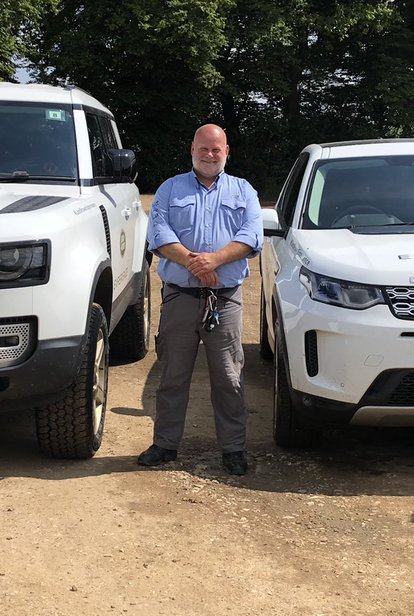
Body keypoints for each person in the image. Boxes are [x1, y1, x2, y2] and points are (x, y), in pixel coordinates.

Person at [139, 124, 264, 475]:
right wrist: (196, 264)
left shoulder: (244, 190)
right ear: (192, 149)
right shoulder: (169, 188)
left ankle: (233, 449)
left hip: (225, 299)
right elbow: (159, 234)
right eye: (203, 149)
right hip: (179, 297)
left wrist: (214, 260)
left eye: (216, 149)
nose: (210, 155)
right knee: (173, 376)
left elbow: (251, 236)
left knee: (228, 377)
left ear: (227, 152)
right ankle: (165, 445)